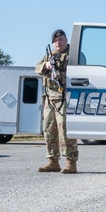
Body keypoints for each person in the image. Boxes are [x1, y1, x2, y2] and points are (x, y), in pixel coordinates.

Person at [35, 29, 79, 174]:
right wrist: (46, 65)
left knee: (65, 131)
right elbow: (37, 69)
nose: (58, 43)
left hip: (65, 98)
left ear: (66, 40)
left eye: (60, 40)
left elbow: (81, 71)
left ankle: (70, 163)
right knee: (49, 130)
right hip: (49, 99)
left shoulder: (74, 55)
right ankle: (53, 161)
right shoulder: (49, 56)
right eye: (55, 41)